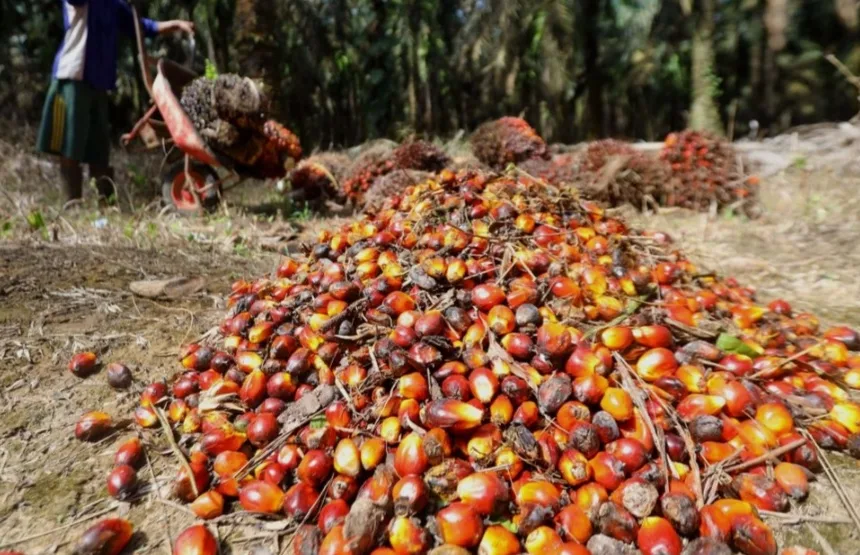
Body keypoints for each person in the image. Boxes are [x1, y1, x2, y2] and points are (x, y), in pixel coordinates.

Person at [36, 1, 194, 204]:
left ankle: (107, 203)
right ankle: (72, 202)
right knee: (71, 144)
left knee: (99, 148)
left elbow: (141, 26)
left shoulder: (112, 4)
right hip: (73, 77)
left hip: (99, 83)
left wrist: (174, 25)